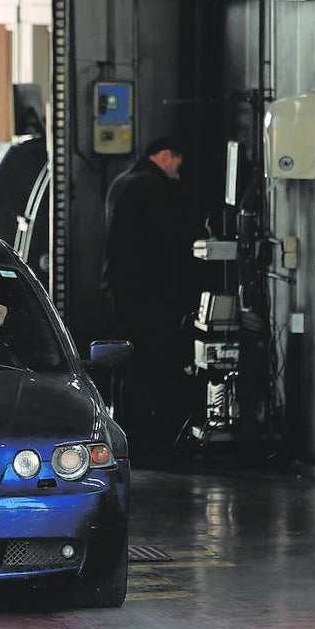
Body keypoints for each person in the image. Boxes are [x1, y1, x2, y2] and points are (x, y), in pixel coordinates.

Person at [101, 137, 195, 458]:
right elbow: (172, 237)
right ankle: (148, 443)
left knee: (128, 364)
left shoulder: (121, 182)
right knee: (151, 365)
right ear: (166, 155)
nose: (177, 175)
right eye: (177, 166)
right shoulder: (149, 186)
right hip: (145, 294)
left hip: (120, 290)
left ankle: (127, 437)